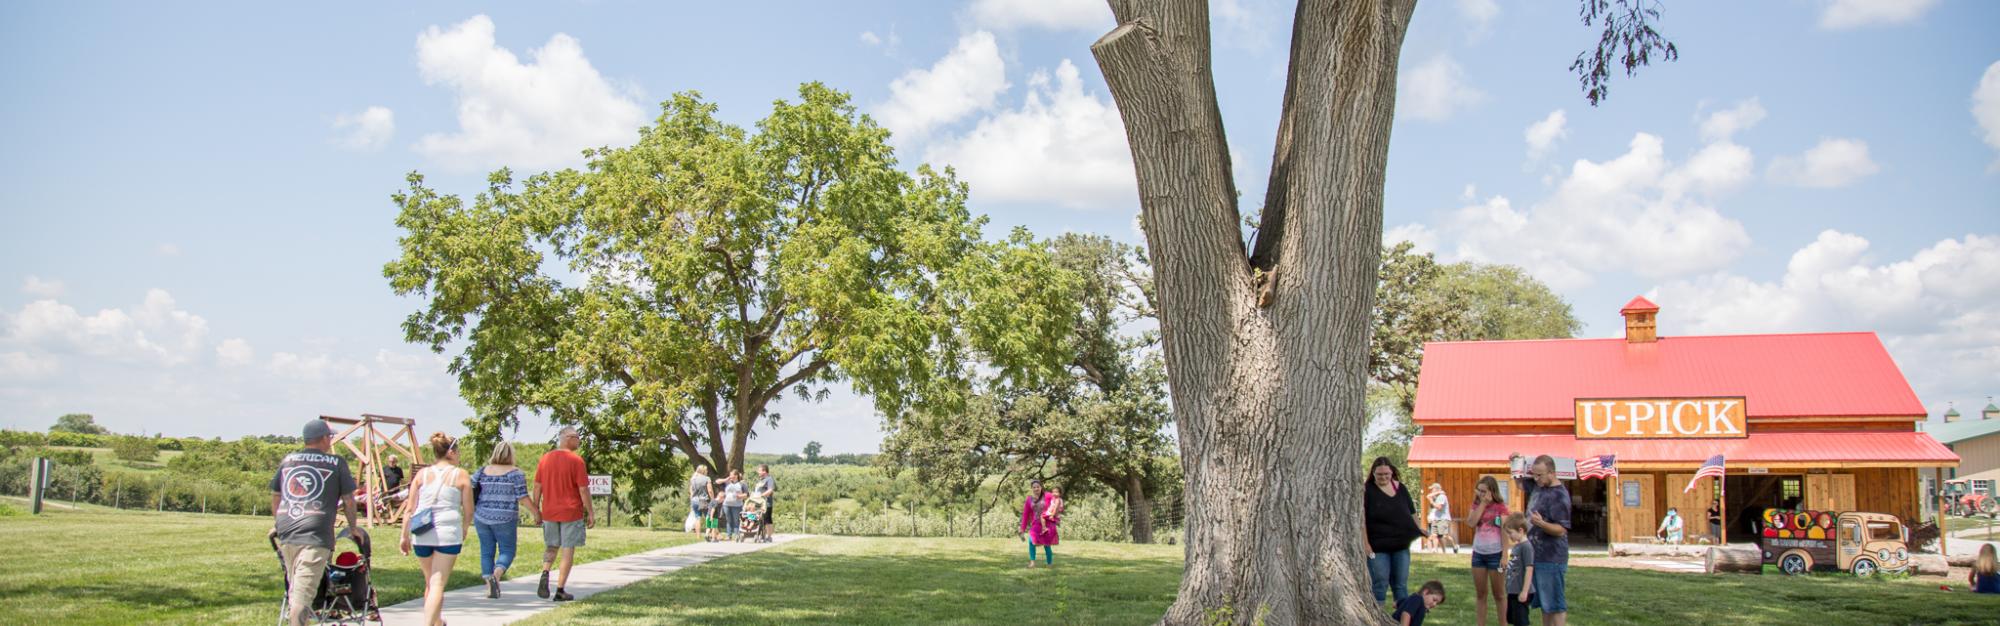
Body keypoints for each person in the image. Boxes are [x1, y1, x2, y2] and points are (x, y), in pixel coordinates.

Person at [270, 419, 364, 626]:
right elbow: (349, 500)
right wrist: (353, 527)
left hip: (287, 530)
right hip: (316, 532)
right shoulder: (336, 462)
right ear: (323, 438)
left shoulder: (288, 460)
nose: (330, 440)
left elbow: (276, 495)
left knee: (295, 584)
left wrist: (278, 522)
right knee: (302, 593)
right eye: (330, 436)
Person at [400, 432, 472, 626]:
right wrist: (464, 527)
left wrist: (403, 536)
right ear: (451, 452)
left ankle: (437, 622)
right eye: (457, 452)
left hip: (422, 532)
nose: (459, 455)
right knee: (437, 583)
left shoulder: (422, 474)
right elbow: (468, 509)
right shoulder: (460, 474)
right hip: (447, 533)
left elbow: (409, 508)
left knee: (430, 583)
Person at [531, 426, 593, 602]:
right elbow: (583, 489)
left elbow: (537, 486)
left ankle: (545, 571)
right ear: (567, 438)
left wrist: (536, 508)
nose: (579, 440)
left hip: (550, 511)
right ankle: (560, 589)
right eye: (577, 437)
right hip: (571, 511)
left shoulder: (545, 459)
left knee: (551, 546)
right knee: (568, 550)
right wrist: (590, 512)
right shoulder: (576, 461)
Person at [473, 441, 533, 599]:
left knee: (486, 552)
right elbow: (523, 497)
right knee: (507, 550)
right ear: (511, 455)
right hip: (505, 517)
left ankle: (489, 587)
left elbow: (469, 489)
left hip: (481, 516)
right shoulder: (516, 473)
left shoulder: (481, 471)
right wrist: (536, 513)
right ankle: (497, 575)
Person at [1365, 456, 1423, 607]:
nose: (1383, 477)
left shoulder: (1400, 488)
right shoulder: (1367, 490)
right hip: (1377, 547)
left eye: (1386, 474)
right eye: (1379, 474)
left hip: (1401, 546)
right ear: (1373, 474)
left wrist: (1419, 530)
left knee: (1400, 585)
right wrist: (1365, 544)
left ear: (1392, 473)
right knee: (1380, 584)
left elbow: (1411, 512)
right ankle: (1377, 619)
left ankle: (1402, 619)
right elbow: (1361, 520)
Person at [1525, 454, 1571, 626]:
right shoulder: (1541, 488)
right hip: (1537, 556)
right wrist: (1514, 460)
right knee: (1545, 604)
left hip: (1552, 558)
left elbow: (1561, 530)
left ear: (1551, 473)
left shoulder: (1560, 496)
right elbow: (1519, 481)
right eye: (1534, 475)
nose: (1535, 479)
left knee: (1555, 605)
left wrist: (1541, 523)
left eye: (1539, 475)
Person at [1461, 476, 1510, 626]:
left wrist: (1504, 555)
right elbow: (1471, 523)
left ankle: (1503, 623)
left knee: (1499, 594)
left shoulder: (1501, 507)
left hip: (1496, 554)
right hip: (1478, 554)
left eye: (1484, 491)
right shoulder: (1476, 504)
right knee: (1481, 594)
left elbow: (1505, 532)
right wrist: (1482, 503)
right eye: (1479, 491)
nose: (1481, 494)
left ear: (1492, 491)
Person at [1502, 513, 1536, 626]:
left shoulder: (1526, 547)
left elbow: (1529, 569)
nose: (1509, 536)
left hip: (1521, 592)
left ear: (1520, 530)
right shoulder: (1517, 546)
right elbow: (1514, 566)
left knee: (1521, 621)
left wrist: (1524, 591)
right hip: (1513, 591)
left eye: (1510, 533)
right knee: (1512, 619)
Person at [1019, 479, 1057, 567]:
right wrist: (1022, 529)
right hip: (1035, 524)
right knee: (1031, 541)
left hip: (1046, 524)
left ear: (1041, 487)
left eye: (1038, 487)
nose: (1036, 489)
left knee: (1047, 544)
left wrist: (1052, 514)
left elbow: (1056, 502)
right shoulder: (1029, 500)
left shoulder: (1048, 496)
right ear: (1032, 488)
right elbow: (1025, 515)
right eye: (1034, 487)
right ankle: (1032, 562)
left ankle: (1049, 563)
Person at [1427, 484, 1456, 554]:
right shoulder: (1437, 496)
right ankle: (1435, 551)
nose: (1431, 491)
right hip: (1436, 519)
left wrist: (1432, 502)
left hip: (1443, 519)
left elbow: (1439, 507)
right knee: (1434, 535)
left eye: (1432, 489)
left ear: (1436, 489)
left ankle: (1455, 546)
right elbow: (1428, 496)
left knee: (1444, 536)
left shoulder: (1442, 496)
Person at [688, 465, 714, 540]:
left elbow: (691, 490)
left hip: (694, 499)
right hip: (703, 499)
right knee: (708, 517)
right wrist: (712, 499)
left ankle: (698, 536)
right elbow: (710, 490)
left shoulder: (693, 479)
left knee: (697, 518)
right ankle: (708, 533)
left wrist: (691, 499)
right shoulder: (707, 479)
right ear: (704, 471)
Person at [721, 469, 747, 542]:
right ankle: (728, 535)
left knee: (736, 520)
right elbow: (717, 482)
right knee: (728, 520)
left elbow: (746, 494)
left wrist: (740, 496)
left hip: (737, 505)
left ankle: (736, 535)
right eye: (730, 475)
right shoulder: (728, 482)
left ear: (736, 476)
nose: (730, 476)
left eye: (731, 475)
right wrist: (726, 479)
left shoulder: (742, 484)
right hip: (726, 504)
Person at [754, 464, 777, 543]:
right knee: (758, 519)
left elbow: (770, 490)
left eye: (759, 470)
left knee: (767, 520)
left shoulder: (769, 479)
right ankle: (760, 534)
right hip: (758, 503)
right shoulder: (760, 480)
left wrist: (762, 495)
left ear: (764, 471)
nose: (758, 472)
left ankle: (769, 536)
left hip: (766, 503)